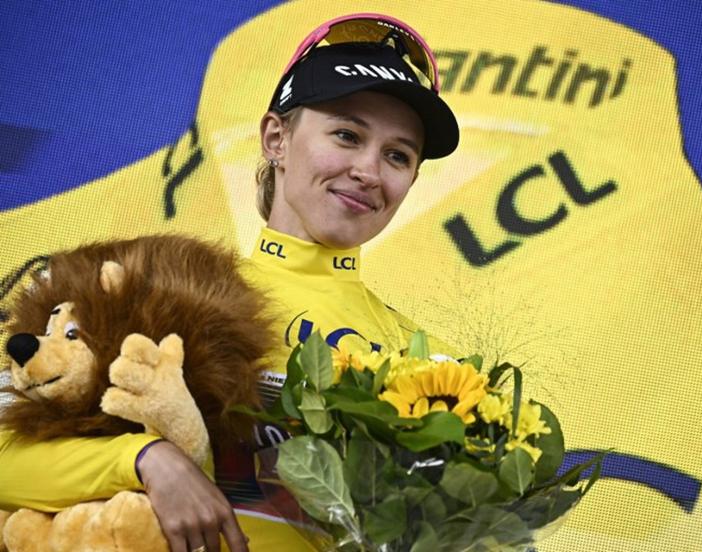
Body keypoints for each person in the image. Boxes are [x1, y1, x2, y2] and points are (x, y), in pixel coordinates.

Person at [0, 13, 459, 552]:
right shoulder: (158, 291)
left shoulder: (438, 367)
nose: (369, 170)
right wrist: (146, 460)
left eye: (397, 156)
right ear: (276, 138)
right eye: (346, 134)